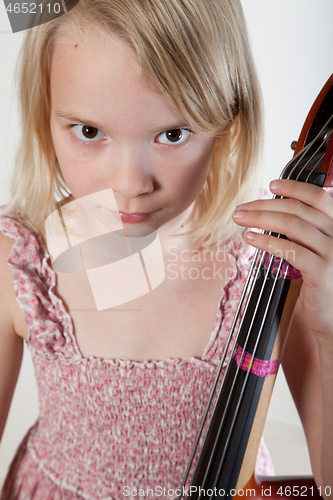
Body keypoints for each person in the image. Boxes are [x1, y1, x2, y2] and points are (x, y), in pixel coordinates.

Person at [0, 0, 332, 498]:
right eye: (89, 132)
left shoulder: (277, 265)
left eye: (172, 134)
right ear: (42, 112)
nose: (131, 183)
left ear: (228, 121)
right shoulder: (20, 259)